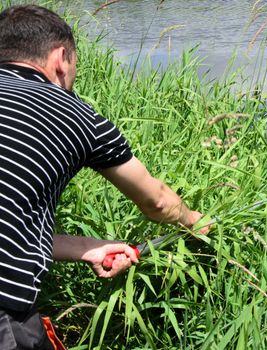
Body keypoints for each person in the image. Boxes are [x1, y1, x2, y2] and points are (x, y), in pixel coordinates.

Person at [0, 4, 208, 349]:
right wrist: (195, 220)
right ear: (61, 58)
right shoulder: (75, 113)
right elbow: (156, 202)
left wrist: (86, 248)